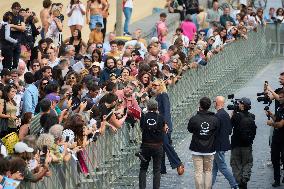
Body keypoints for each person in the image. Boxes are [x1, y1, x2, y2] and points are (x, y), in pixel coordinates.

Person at [151, 79, 184, 175]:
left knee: (165, 144)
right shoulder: (158, 96)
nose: (154, 87)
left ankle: (178, 163)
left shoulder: (163, 95)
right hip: (159, 124)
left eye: (156, 85)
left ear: (161, 86)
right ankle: (161, 168)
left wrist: (164, 124)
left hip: (164, 125)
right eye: (153, 85)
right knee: (161, 146)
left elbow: (166, 111)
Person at [187, 97, 220, 189]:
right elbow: (217, 130)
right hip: (210, 149)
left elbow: (190, 129)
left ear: (200, 106)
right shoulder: (214, 119)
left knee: (198, 172)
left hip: (196, 148)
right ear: (209, 106)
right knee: (208, 171)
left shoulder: (194, 119)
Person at [138, 99, 167, 189]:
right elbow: (164, 130)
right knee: (156, 170)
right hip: (157, 146)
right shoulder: (161, 118)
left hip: (146, 145)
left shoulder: (144, 117)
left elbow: (142, 129)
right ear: (157, 107)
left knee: (143, 169)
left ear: (147, 107)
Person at [212, 96, 238, 189]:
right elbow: (229, 131)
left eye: (214, 101)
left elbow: (214, 132)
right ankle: (208, 186)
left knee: (222, 167)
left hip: (218, 146)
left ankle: (234, 185)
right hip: (223, 144)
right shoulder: (226, 114)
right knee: (214, 167)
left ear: (217, 103)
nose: (213, 103)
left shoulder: (217, 116)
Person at [230, 97, 256, 189]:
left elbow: (230, 125)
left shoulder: (236, 116)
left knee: (236, 164)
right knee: (247, 163)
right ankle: (245, 178)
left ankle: (239, 181)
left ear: (242, 105)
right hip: (247, 145)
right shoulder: (252, 116)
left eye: (240, 103)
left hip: (236, 145)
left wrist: (234, 112)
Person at [265, 89, 284, 187]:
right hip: (277, 138)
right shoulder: (280, 108)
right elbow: (277, 119)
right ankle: (277, 180)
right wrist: (271, 114)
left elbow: (280, 124)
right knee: (275, 159)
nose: (279, 99)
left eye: (281, 97)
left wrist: (271, 123)